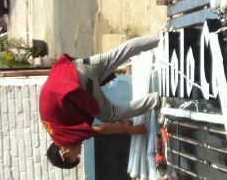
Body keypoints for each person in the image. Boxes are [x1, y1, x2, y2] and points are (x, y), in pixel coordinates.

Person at [40, 35, 161, 169]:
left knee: (111, 115)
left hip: (78, 83)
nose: (79, 152)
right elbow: (86, 105)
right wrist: (123, 120)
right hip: (75, 67)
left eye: (76, 156)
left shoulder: (65, 138)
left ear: (65, 154)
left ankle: (156, 99)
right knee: (117, 55)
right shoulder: (54, 128)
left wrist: (133, 129)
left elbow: (104, 128)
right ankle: (161, 38)